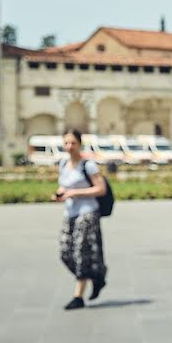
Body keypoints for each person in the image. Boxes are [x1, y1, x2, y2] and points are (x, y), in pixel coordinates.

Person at [53, 129, 108, 310]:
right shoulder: (63, 164)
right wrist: (60, 194)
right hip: (70, 213)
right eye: (66, 143)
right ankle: (96, 276)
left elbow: (101, 189)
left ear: (79, 144)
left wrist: (75, 192)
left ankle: (78, 296)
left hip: (87, 212)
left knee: (80, 254)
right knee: (65, 252)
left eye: (73, 143)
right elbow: (64, 185)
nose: (69, 147)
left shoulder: (88, 165)